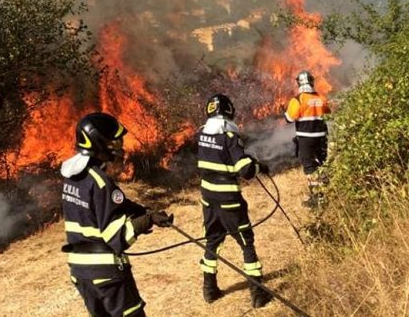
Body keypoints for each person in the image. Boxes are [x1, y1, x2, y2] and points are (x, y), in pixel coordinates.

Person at [61, 112, 174, 317]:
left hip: (81, 271)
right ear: (100, 142)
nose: (120, 145)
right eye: (115, 140)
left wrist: (142, 211)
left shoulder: (73, 177)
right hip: (106, 274)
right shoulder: (102, 183)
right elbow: (117, 237)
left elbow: (105, 207)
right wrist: (147, 220)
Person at [196, 93, 272, 308]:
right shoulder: (230, 135)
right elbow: (245, 170)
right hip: (228, 197)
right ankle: (258, 293)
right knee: (246, 242)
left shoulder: (202, 133)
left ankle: (209, 289)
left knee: (212, 240)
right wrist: (259, 166)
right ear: (229, 111)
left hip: (208, 196)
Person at [284, 70, 331, 205]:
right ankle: (326, 192)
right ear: (312, 82)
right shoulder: (321, 98)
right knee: (323, 163)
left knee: (309, 167)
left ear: (299, 83)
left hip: (306, 139)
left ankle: (317, 197)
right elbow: (328, 111)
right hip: (322, 137)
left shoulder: (298, 99)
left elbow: (289, 118)